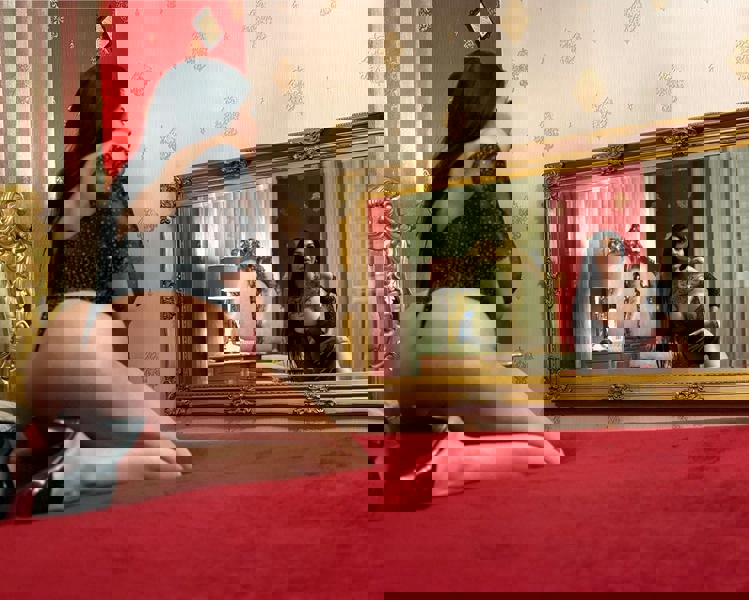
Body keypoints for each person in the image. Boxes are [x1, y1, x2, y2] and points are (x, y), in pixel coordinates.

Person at [378, 50, 561, 508]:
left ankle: (427, 460)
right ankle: (445, 467)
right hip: (461, 326)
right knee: (542, 450)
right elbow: (511, 271)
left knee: (526, 436)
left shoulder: (446, 169)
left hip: (421, 330)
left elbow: (427, 265)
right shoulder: (494, 159)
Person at [8, 64, 192, 517]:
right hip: (82, 353)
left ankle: (52, 455)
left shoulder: (72, 186)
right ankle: (74, 467)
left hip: (48, 361)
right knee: (167, 452)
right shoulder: (122, 179)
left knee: (145, 437)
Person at [282, 237, 340, 379]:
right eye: (298, 254)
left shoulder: (327, 284)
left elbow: (330, 323)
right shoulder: (286, 287)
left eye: (310, 249)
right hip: (298, 351)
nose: (305, 256)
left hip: (325, 350)